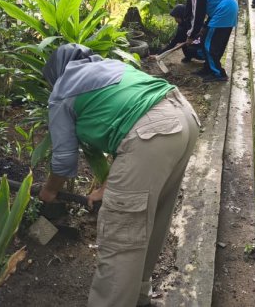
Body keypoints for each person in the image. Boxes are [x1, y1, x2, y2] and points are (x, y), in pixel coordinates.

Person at [38, 44, 201, 307]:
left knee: (121, 237)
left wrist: (49, 190)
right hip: (184, 118)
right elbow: (127, 123)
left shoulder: (63, 90)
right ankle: (139, 295)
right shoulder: (112, 68)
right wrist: (107, 186)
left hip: (153, 133)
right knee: (154, 216)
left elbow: (64, 160)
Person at [177, 0, 239, 82]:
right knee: (212, 42)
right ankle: (208, 68)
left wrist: (191, 36)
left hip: (223, 10)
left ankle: (218, 74)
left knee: (208, 45)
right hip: (230, 7)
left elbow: (196, 17)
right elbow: (212, 5)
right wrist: (204, 27)